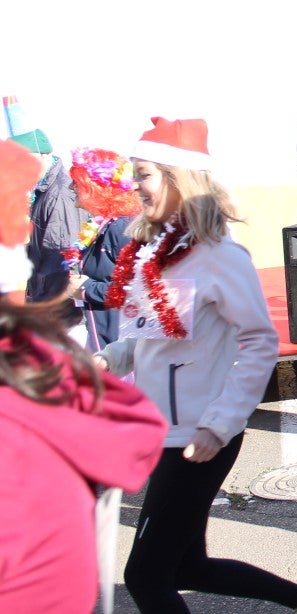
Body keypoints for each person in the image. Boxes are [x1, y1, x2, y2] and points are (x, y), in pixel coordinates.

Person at [96, 117, 297, 614]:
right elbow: (149, 339)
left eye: (143, 173)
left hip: (197, 438)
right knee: (187, 567)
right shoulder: (158, 253)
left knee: (145, 578)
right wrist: (104, 359)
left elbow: (258, 342)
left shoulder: (221, 257)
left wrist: (221, 423)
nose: (134, 185)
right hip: (162, 432)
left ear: (176, 177)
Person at [0, 137, 167, 613]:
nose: (73, 197)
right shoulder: (29, 361)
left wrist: (84, 287)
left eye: (78, 188)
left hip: (107, 328)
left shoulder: (118, 228)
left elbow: (128, 287)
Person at [65, 146, 141, 351]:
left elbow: (137, 290)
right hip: (104, 339)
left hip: (120, 346)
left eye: (76, 183)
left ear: (95, 187)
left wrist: (85, 289)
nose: (72, 189)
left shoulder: (121, 228)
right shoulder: (104, 224)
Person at [7, 113, 86, 302]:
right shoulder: (42, 190)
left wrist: (42, 306)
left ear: (46, 155)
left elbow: (59, 256)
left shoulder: (59, 193)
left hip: (56, 303)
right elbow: (42, 247)